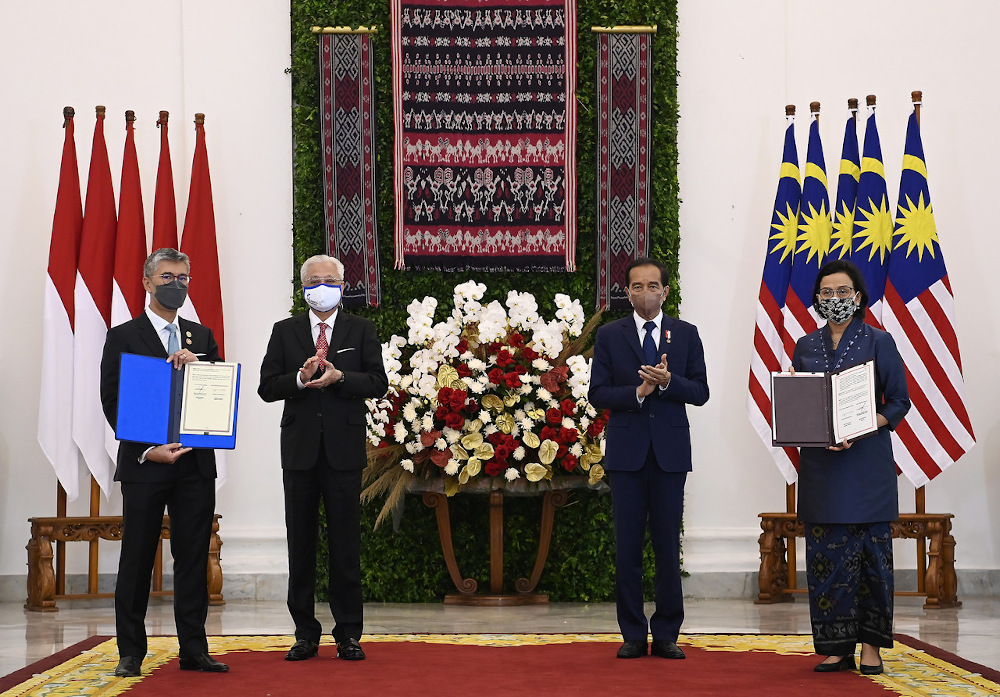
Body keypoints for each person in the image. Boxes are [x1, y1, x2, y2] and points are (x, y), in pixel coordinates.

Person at [100, 248, 229, 677]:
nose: (176, 285)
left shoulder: (202, 336)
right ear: (147, 282)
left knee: (192, 556)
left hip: (194, 466)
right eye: (167, 277)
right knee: (136, 557)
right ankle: (130, 652)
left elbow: (212, 396)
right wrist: (145, 449)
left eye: (183, 278)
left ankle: (194, 648)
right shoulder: (124, 336)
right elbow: (113, 402)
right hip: (145, 464)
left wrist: (200, 368)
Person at [258, 254, 387, 662]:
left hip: (344, 453)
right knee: (301, 543)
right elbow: (266, 386)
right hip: (298, 453)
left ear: (342, 284)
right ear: (303, 287)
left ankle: (348, 633)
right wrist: (300, 378)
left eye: (328, 280)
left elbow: (378, 383)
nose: (321, 286)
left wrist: (340, 378)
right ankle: (304, 633)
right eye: (313, 280)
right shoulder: (285, 331)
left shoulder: (361, 329)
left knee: (345, 543)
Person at [791, 259, 910, 676]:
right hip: (822, 469)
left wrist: (863, 426)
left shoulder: (880, 340)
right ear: (816, 299)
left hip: (866, 467)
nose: (835, 300)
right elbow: (801, 404)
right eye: (826, 293)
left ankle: (872, 648)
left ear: (858, 298)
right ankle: (835, 647)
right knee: (826, 561)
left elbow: (899, 401)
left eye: (843, 292)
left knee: (872, 561)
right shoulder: (805, 346)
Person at [588, 257, 709, 660]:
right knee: (627, 548)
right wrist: (638, 392)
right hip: (627, 456)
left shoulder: (686, 335)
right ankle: (633, 634)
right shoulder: (610, 335)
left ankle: (668, 633)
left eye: (652, 285)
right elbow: (598, 393)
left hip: (670, 456)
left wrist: (669, 382)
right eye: (636, 286)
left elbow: (700, 391)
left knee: (665, 547)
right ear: (627, 292)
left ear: (665, 291)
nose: (645, 292)